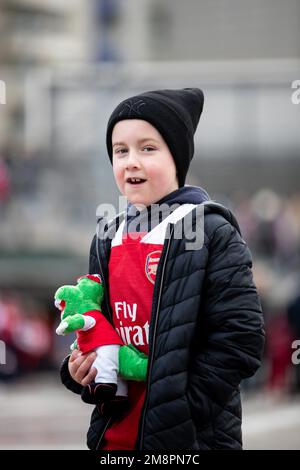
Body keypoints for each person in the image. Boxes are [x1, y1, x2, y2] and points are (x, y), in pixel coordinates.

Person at [60, 88, 265, 450]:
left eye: (148, 148)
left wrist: (183, 407)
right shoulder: (108, 235)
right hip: (116, 436)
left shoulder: (210, 230)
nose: (131, 160)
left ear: (178, 159)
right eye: (120, 150)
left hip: (190, 439)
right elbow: (100, 328)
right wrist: (81, 371)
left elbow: (241, 338)